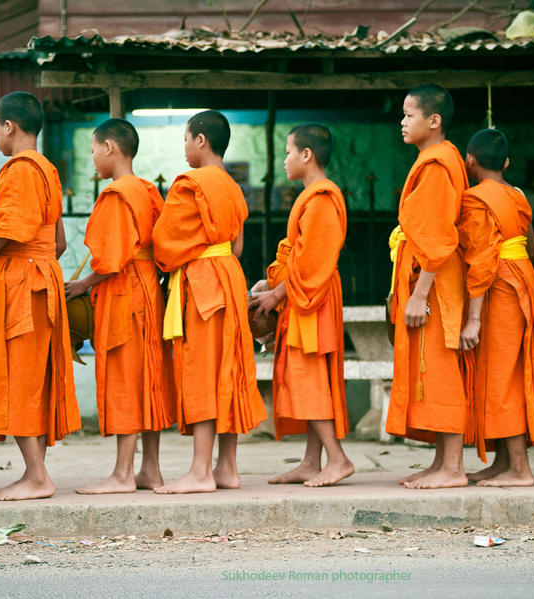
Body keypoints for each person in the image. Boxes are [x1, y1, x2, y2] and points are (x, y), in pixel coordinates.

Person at [151, 110, 267, 494]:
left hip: (202, 283)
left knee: (201, 372)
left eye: (186, 139)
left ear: (201, 140)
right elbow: (237, 244)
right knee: (227, 369)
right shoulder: (233, 187)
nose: (185, 148)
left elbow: (165, 244)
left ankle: (200, 471)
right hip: (230, 278)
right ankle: (227, 468)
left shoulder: (190, 184)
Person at [0, 91, 81, 501]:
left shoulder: (19, 169)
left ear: (9, 126)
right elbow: (57, 242)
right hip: (43, 279)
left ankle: (38, 476)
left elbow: (6, 231)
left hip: (23, 282)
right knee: (32, 377)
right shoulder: (49, 170)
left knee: (18, 376)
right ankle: (34, 472)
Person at [64, 118, 175, 494]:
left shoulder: (117, 194)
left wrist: (81, 284)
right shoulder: (147, 191)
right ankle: (151, 471)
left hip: (124, 291)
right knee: (149, 378)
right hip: (148, 290)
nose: (93, 158)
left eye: (94, 150)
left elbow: (110, 260)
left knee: (125, 378)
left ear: (110, 148)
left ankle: (123, 474)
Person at [250, 124, 355, 487]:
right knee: (308, 376)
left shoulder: (323, 198)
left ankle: (338, 458)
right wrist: (273, 283)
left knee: (309, 378)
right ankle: (312, 461)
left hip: (314, 299)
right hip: (304, 294)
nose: (284, 161)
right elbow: (302, 255)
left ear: (307, 155)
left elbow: (314, 264)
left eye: (288, 152)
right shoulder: (311, 196)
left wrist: (278, 294)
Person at [385, 84, 469, 489]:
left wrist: (420, 294)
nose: (402, 122)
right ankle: (441, 462)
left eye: (409, 114)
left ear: (434, 121)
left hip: (433, 282)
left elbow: (437, 234)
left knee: (439, 368)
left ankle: (454, 467)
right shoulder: (435, 159)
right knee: (429, 369)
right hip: (429, 277)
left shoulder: (437, 164)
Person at [457, 128, 534, 487]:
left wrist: (473, 319)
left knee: (502, 375)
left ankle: (521, 469)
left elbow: (481, 260)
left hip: (499, 285)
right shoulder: (518, 196)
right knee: (509, 369)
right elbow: (532, 249)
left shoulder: (475, 199)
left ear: (470, 161)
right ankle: (501, 461)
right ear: (507, 162)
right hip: (523, 281)